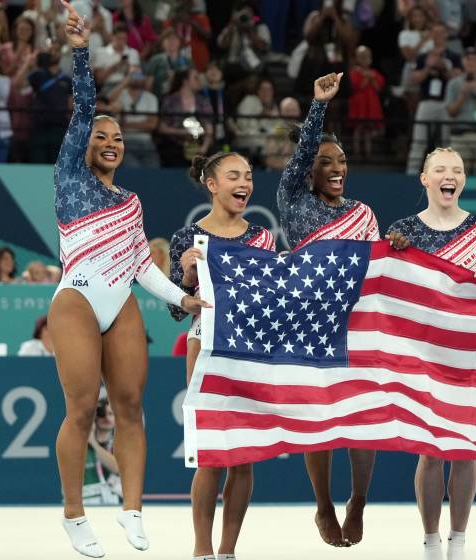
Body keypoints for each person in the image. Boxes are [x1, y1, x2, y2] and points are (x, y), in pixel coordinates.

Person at [49, 5, 206, 557]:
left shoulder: (131, 202)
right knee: (79, 406)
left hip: (121, 304)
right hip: (76, 302)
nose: (111, 141)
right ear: (85, 145)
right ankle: (73, 514)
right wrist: (80, 50)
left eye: (117, 137)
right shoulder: (69, 175)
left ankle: (133, 511)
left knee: (132, 406)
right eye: (101, 136)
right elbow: (84, 107)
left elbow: (142, 266)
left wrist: (183, 297)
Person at [278, 72, 381, 547]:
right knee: (318, 421)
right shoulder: (293, 201)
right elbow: (301, 155)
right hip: (311, 326)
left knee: (361, 419)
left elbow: (379, 273)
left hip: (357, 324)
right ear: (308, 171)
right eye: (325, 162)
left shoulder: (363, 213)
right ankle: (322, 505)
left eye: (341, 161)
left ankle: (358, 500)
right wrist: (317, 106)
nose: (336, 169)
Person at [386, 147, 476, 560]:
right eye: (440, 170)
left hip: (469, 352)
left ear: (464, 180)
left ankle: (459, 539)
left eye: (457, 170)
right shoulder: (402, 230)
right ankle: (431, 540)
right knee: (431, 451)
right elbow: (390, 293)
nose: (449, 176)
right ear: (424, 179)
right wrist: (393, 253)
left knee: (465, 449)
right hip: (422, 354)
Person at [169, 152, 275, 560]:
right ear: (212, 185)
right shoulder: (188, 239)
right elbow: (176, 310)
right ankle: (201, 550)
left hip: (248, 349)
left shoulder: (262, 237)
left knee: (243, 457)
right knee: (211, 456)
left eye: (248, 175)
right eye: (234, 176)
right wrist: (187, 278)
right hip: (206, 347)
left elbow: (272, 300)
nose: (244, 183)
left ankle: (228, 551)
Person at [405, 22, 461, 174]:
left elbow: (457, 78)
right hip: (427, 102)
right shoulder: (423, 57)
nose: (438, 36)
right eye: (434, 33)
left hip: (446, 102)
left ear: (445, 35)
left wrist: (443, 67)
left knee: (446, 142)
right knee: (419, 140)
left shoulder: (453, 56)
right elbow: (415, 79)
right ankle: (411, 172)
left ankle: (447, 173)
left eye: (441, 32)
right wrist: (428, 67)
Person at [445, 47, 476, 176]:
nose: (471, 63)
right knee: (458, 175)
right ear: (463, 62)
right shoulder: (454, 84)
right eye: (468, 60)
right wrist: (462, 95)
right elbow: (450, 111)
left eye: (474, 60)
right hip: (460, 135)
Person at [157, 68, 213, 167]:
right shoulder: (170, 100)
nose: (199, 81)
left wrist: (203, 148)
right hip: (174, 147)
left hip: (199, 147)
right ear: (185, 81)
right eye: (195, 78)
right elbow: (162, 128)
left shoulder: (203, 101)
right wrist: (183, 132)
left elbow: (209, 128)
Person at [28, 46, 72, 164]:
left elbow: (71, 103)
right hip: (40, 129)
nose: (54, 52)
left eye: (57, 49)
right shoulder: (37, 75)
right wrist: (30, 63)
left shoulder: (67, 79)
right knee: (38, 167)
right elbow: (20, 86)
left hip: (60, 129)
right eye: (51, 50)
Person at [107, 70, 159, 168]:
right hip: (125, 142)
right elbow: (108, 100)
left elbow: (152, 124)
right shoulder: (121, 95)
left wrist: (125, 125)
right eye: (133, 75)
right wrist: (125, 81)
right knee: (132, 168)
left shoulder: (151, 98)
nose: (136, 78)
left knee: (153, 169)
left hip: (146, 142)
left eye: (139, 75)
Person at [348, 45, 385, 159]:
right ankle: (357, 152)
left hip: (371, 103)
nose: (365, 59)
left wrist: (371, 78)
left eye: (367, 57)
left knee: (369, 130)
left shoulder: (374, 73)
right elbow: (357, 87)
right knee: (359, 128)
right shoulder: (354, 72)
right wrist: (366, 78)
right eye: (362, 57)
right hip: (359, 104)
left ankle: (368, 153)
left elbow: (379, 88)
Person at [83, 398, 121, 506]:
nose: (106, 417)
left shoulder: (120, 444)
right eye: (101, 413)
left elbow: (117, 468)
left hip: (116, 506)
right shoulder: (81, 446)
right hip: (87, 505)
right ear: (94, 417)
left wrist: (93, 443)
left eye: (111, 413)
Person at [162, 0, 211, 73]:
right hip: (176, 64)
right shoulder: (170, 21)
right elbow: (163, 40)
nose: (186, 6)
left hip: (199, 61)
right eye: (183, 3)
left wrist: (192, 23)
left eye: (188, 4)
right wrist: (174, 23)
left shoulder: (201, 18)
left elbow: (208, 36)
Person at [145, 28, 190, 98]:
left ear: (179, 42)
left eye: (174, 39)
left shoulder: (187, 61)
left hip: (181, 99)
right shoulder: (155, 59)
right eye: (168, 39)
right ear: (162, 43)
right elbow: (148, 84)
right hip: (159, 97)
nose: (171, 42)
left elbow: (192, 82)